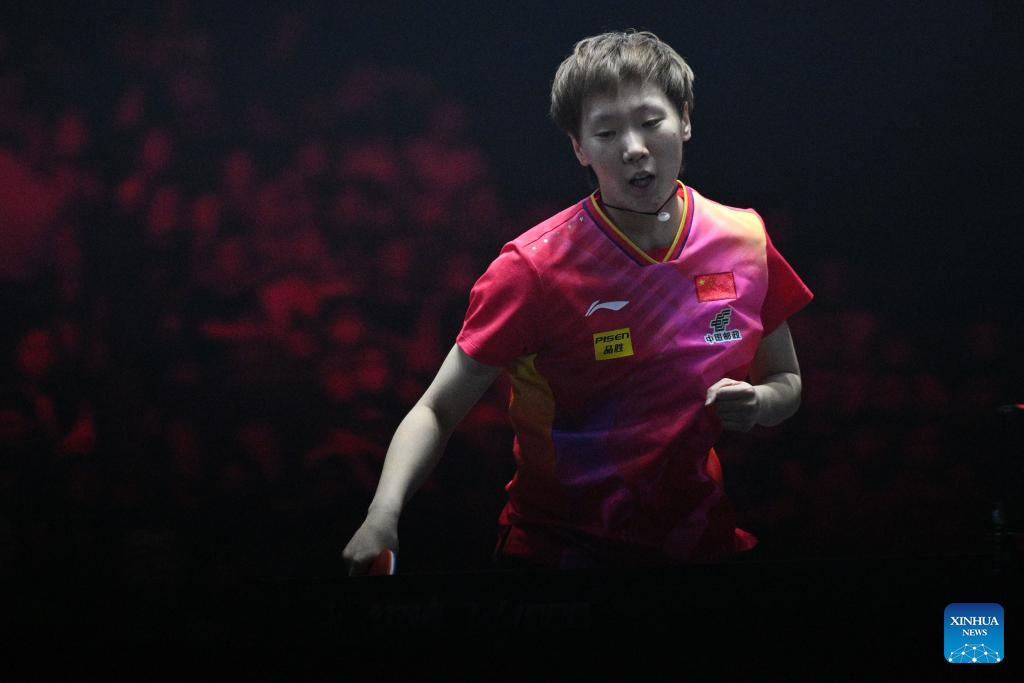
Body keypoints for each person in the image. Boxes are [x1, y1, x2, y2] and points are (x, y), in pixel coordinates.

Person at [343, 30, 812, 573]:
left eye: (650, 121)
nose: (633, 147)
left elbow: (787, 381)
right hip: (559, 552)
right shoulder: (533, 269)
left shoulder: (744, 239)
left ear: (684, 118)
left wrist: (760, 404)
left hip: (700, 544)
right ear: (579, 148)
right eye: (606, 132)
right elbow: (436, 409)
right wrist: (382, 515)